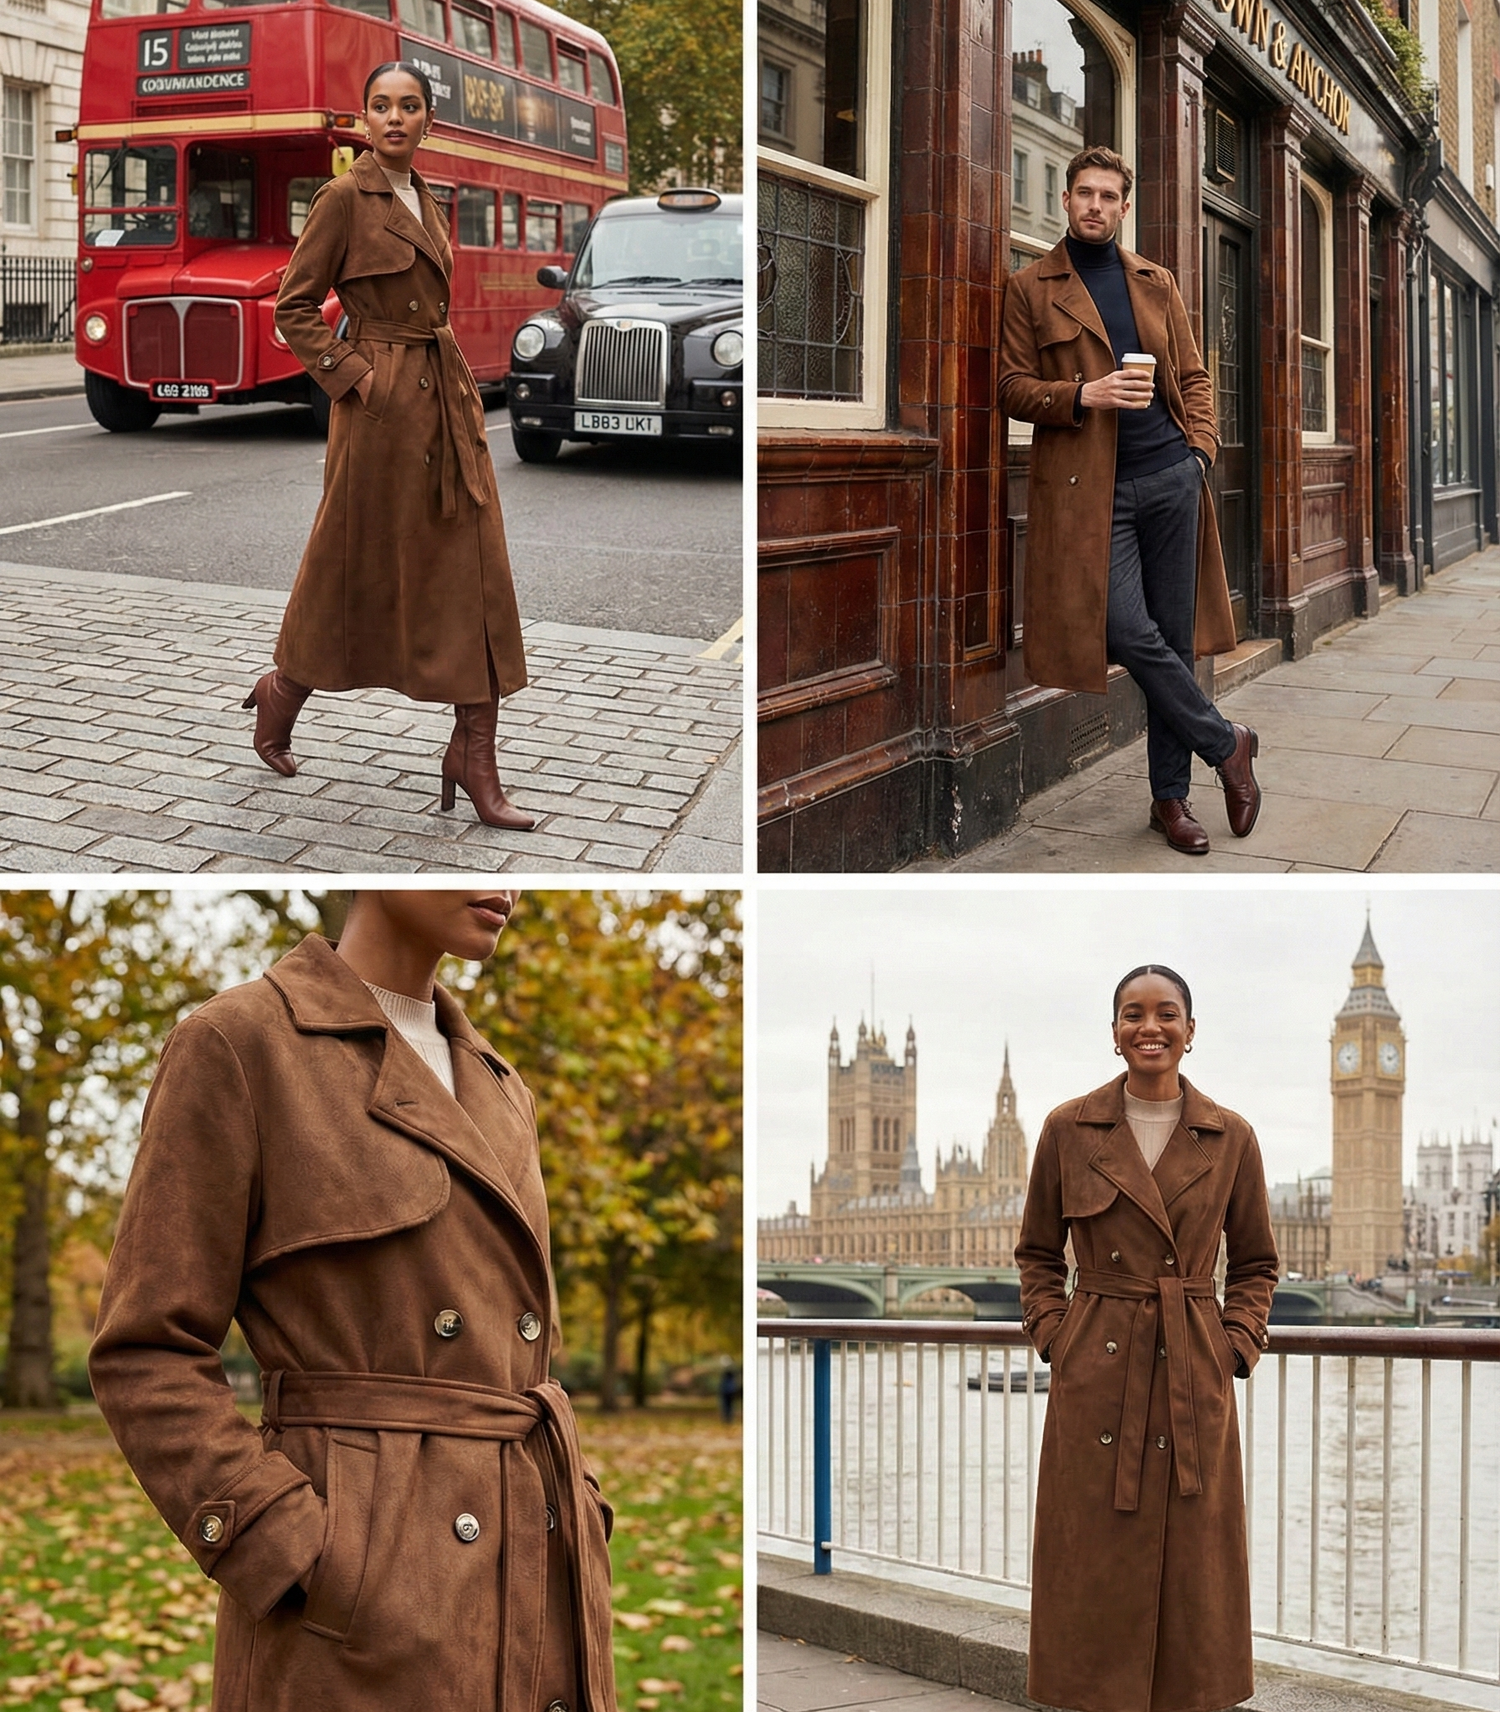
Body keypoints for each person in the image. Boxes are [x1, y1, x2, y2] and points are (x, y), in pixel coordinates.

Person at [89, 891, 616, 1712]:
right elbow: (146, 1347)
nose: (509, 887)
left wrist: (578, 1499)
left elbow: (512, 1349)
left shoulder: (500, 1082)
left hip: (535, 1566)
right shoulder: (240, 1041)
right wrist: (288, 1544)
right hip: (355, 1614)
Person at [243, 63, 535, 831]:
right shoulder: (343, 198)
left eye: (409, 106)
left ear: (429, 119)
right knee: (349, 566)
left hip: (444, 404)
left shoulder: (429, 199)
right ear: (365, 121)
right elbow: (293, 307)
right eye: (381, 106)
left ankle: (473, 753)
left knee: (474, 570)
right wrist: (359, 379)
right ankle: (281, 693)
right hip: (378, 417)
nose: (395, 117)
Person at [1015, 965, 1279, 1712]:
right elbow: (1037, 1254)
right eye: (1133, 1014)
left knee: (1194, 1573)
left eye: (1166, 1014)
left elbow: (1256, 1263)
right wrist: (1057, 1337)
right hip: (1095, 1373)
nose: (1149, 1027)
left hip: (1193, 1367)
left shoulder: (1232, 1136)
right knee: (1091, 1563)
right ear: (1114, 1033)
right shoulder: (1067, 1129)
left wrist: (1233, 1345)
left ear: (1190, 1032)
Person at [998, 147, 1262, 856]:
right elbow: (1011, 387)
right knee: (1124, 628)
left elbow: (1195, 376)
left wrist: (1199, 453)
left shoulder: (1155, 280)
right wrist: (1084, 393)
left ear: (1123, 206)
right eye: (1084, 193)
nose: (1095, 205)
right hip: (1092, 493)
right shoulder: (1029, 286)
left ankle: (1169, 802)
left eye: (1108, 195)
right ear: (1065, 200)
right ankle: (1227, 743)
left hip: (1171, 477)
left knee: (1172, 639)